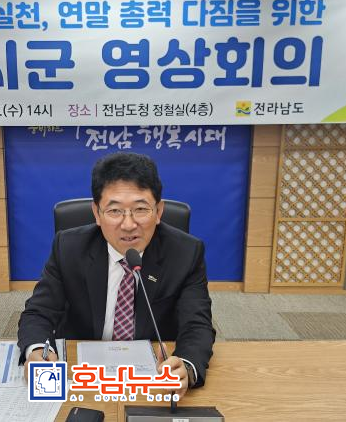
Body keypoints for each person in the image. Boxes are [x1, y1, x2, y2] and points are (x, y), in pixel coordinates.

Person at [17, 152, 215, 398]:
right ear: (97, 213)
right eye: (114, 211)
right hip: (83, 377)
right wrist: (37, 351)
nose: (128, 224)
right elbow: (39, 312)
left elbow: (197, 324)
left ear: (159, 211)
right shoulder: (68, 247)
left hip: (152, 381)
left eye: (140, 209)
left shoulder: (185, 253)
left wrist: (186, 365)